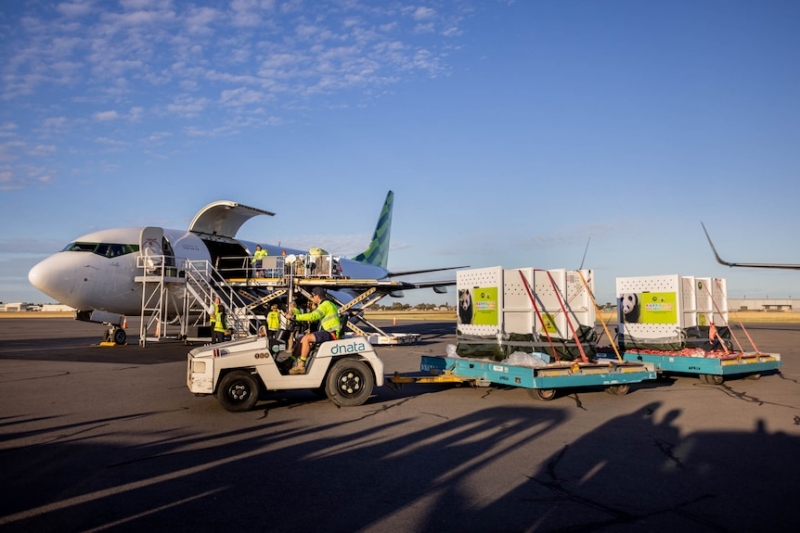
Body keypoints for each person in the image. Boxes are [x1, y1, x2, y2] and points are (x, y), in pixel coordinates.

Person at [286, 287, 341, 374]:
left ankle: (301, 365)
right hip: (328, 332)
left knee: (306, 339)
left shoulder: (325, 305)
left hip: (331, 333)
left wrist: (295, 317)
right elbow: (315, 318)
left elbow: (313, 316)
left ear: (318, 296)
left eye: (313, 296)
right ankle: (290, 361)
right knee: (301, 339)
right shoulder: (327, 304)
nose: (312, 298)